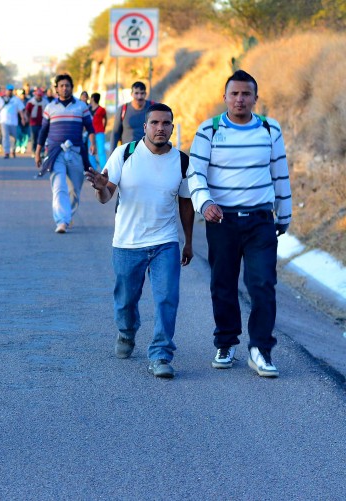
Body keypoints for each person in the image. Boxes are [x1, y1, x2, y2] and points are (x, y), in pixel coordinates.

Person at [187, 69, 292, 378]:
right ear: (225, 98)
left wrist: (283, 215)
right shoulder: (209, 130)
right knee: (223, 284)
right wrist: (204, 203)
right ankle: (226, 342)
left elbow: (280, 174)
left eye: (246, 94)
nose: (240, 99)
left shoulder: (270, 130)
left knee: (263, 285)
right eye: (234, 93)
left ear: (255, 99)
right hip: (222, 221)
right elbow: (196, 173)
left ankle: (260, 349)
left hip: (260, 220)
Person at [87, 103, 194, 378]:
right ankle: (126, 331)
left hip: (165, 242)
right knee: (125, 301)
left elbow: (185, 204)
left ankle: (160, 354)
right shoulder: (125, 153)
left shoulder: (181, 161)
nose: (161, 128)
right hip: (127, 243)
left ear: (172, 126)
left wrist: (189, 241)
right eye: (155, 123)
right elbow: (106, 194)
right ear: (144, 127)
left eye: (166, 123)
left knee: (167, 298)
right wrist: (100, 188)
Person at [35, 74, 95, 233]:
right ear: (56, 88)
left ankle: (67, 215)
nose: (64, 88)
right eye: (61, 85)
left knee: (74, 190)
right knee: (59, 187)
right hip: (56, 152)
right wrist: (38, 151)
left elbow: (90, 127)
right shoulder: (50, 107)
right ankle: (62, 221)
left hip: (76, 151)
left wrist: (93, 144)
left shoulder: (81, 106)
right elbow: (43, 131)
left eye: (67, 85)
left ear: (72, 87)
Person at [112, 81, 153, 147]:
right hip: (130, 151)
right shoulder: (122, 110)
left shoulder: (153, 108)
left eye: (142, 93)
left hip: (148, 151)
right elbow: (115, 133)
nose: (139, 97)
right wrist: (112, 155)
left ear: (145, 94)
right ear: (131, 94)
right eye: (136, 93)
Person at [0, 84, 27, 159]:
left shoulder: (16, 99)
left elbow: (21, 110)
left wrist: (23, 119)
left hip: (13, 122)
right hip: (4, 121)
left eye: (11, 90)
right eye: (8, 90)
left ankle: (13, 150)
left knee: (14, 137)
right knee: (5, 137)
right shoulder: (0, 99)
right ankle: (6, 152)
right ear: (6, 90)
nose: (10, 92)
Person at [89, 92, 108, 169]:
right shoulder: (88, 109)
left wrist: (104, 127)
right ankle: (93, 169)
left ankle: (103, 169)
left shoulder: (101, 109)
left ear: (93, 98)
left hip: (99, 132)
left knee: (101, 151)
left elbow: (105, 119)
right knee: (91, 152)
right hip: (90, 133)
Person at [25, 88, 46, 157]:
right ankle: (34, 151)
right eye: (38, 95)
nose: (39, 97)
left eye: (40, 95)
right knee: (34, 138)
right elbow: (27, 112)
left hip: (42, 123)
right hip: (33, 123)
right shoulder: (31, 102)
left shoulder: (45, 102)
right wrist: (27, 119)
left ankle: (42, 152)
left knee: (41, 137)